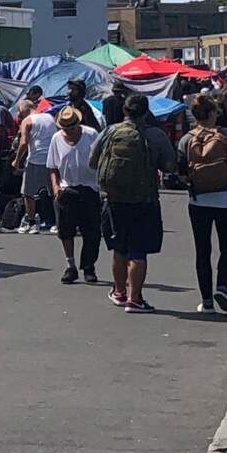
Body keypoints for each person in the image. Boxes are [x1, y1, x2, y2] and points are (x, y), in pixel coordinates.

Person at [90, 95, 176, 313]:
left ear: (124, 111)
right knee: (138, 251)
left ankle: (119, 291)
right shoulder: (155, 135)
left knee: (119, 248)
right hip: (144, 200)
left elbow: (93, 161)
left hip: (114, 199)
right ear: (146, 112)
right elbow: (169, 166)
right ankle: (134, 298)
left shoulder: (110, 132)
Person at [177, 95, 227, 314]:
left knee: (202, 250)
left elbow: (181, 171)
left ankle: (207, 301)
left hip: (199, 200)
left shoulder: (186, 139)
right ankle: (222, 287)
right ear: (213, 113)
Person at [47, 106, 101, 284]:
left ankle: (88, 267)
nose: (68, 131)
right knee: (65, 231)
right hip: (66, 189)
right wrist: (55, 187)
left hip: (90, 188)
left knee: (91, 232)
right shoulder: (56, 139)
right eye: (65, 128)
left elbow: (101, 160)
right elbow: (53, 167)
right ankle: (70, 266)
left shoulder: (91, 134)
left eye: (71, 128)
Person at [12, 99, 57, 235]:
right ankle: (57, 223)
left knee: (28, 193)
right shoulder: (51, 118)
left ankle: (31, 223)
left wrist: (17, 160)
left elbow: (24, 142)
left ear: (23, 110)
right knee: (54, 192)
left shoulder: (28, 121)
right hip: (51, 159)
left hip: (35, 159)